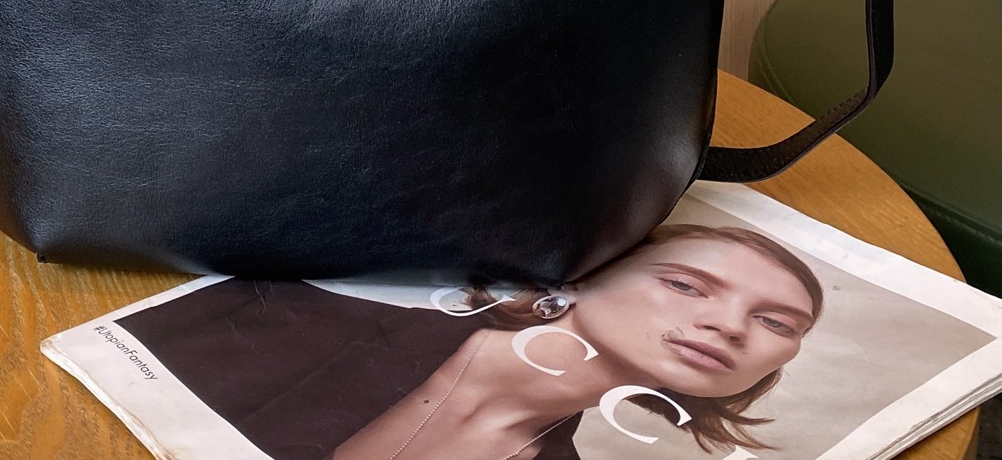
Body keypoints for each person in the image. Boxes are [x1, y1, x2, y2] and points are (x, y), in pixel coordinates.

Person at [117, 224, 823, 460]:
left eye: (777, 323)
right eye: (688, 286)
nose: (731, 326)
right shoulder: (299, 318)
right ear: (582, 274)